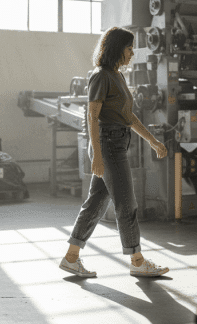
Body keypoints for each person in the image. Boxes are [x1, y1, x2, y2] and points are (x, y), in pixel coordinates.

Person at [60, 27, 169, 278]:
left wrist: (152, 141)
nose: (132, 53)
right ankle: (137, 260)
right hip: (107, 145)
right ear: (116, 48)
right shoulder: (101, 76)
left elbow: (128, 116)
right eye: (129, 48)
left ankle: (71, 257)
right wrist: (97, 155)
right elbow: (92, 116)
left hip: (116, 142)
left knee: (96, 203)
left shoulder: (117, 76)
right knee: (126, 204)